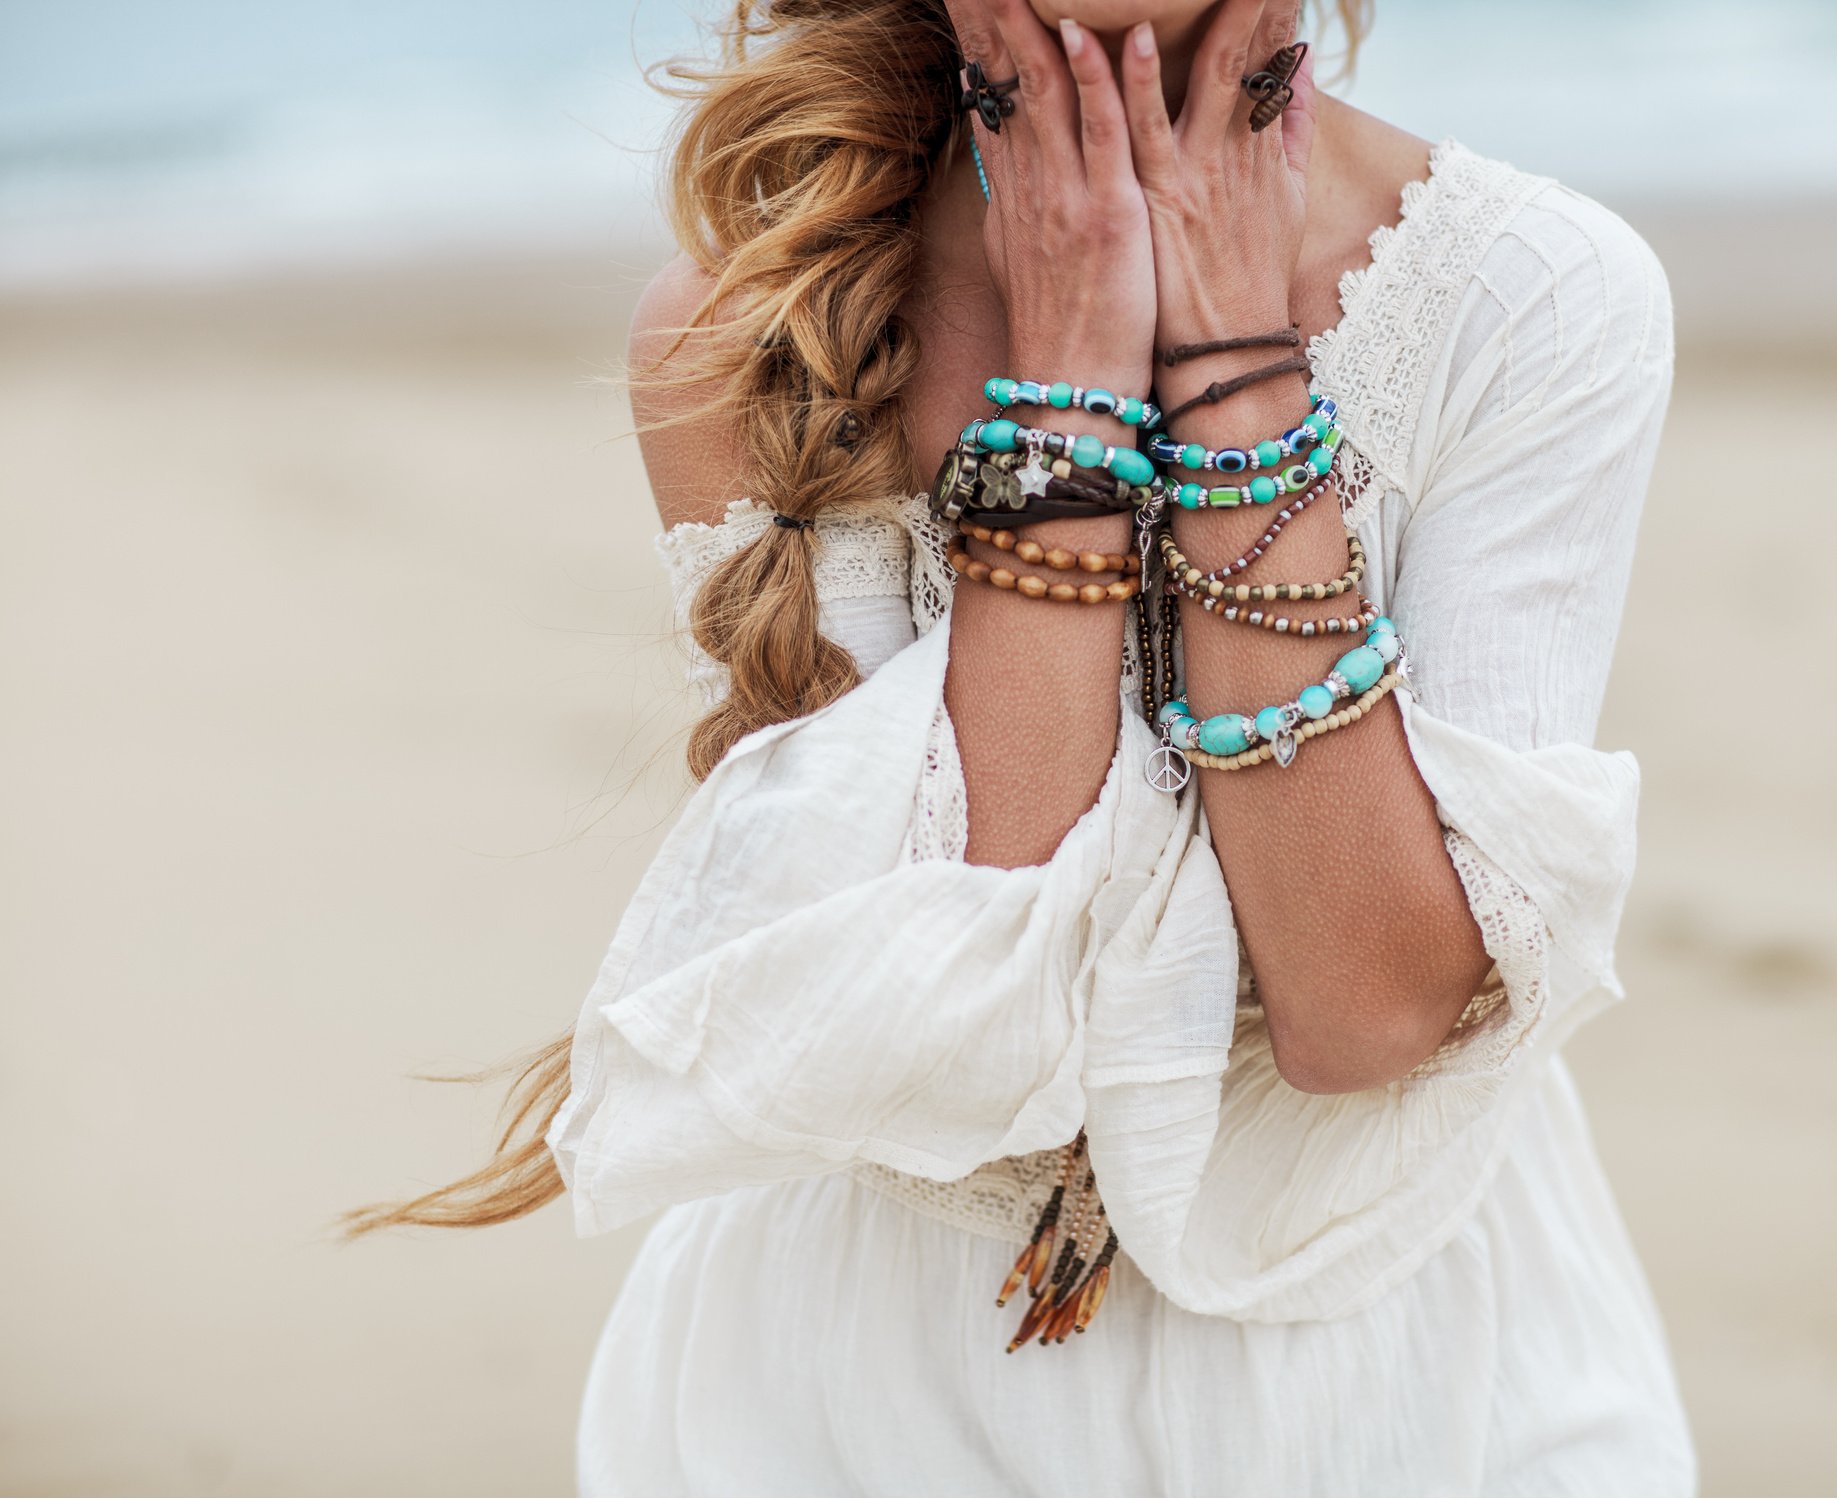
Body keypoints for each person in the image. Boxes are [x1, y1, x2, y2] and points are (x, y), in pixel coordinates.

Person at [353, 0, 1695, 1489]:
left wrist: (1237, 377)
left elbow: (1367, 1012)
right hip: (873, 1388)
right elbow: (962, 1011)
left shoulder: (1533, 295)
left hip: (1390, 1341)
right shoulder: (766, 317)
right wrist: (1065, 385)